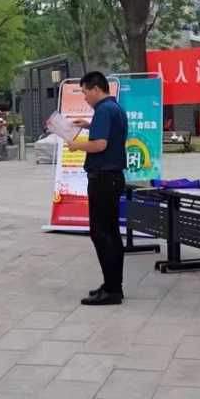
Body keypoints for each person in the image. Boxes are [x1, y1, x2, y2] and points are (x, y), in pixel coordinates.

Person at [65, 72, 128, 306]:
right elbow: (110, 133)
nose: (85, 98)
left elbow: (100, 144)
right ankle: (113, 285)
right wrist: (88, 125)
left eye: (85, 92)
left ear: (96, 89)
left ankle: (112, 290)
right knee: (110, 233)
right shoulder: (115, 108)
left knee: (101, 233)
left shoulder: (103, 110)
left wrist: (76, 145)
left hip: (103, 178)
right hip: (112, 178)